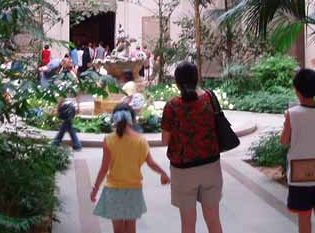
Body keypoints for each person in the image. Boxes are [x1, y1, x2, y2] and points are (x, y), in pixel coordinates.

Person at [161, 62, 224, 233]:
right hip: (211, 165)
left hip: (183, 171)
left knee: (188, 225)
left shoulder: (172, 106)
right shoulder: (209, 99)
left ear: (177, 82)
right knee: (213, 221)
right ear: (197, 79)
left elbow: (165, 140)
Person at [91, 104, 170, 233]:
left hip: (114, 190)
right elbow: (151, 163)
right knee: (130, 229)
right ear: (133, 120)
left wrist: (95, 189)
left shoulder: (108, 140)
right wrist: (163, 173)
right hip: (134, 190)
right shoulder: (141, 140)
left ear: (114, 119)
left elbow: (104, 169)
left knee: (118, 230)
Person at [281, 68, 315, 233]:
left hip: (300, 175)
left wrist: (286, 123)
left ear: (297, 91)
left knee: (304, 220)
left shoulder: (292, 114)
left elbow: (283, 141)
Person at [52, 65, 82, 151]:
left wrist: (57, 108)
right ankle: (57, 142)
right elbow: (77, 96)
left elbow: (61, 98)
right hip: (72, 107)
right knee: (67, 126)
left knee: (67, 126)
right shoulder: (75, 84)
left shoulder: (63, 85)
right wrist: (78, 106)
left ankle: (57, 142)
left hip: (65, 107)